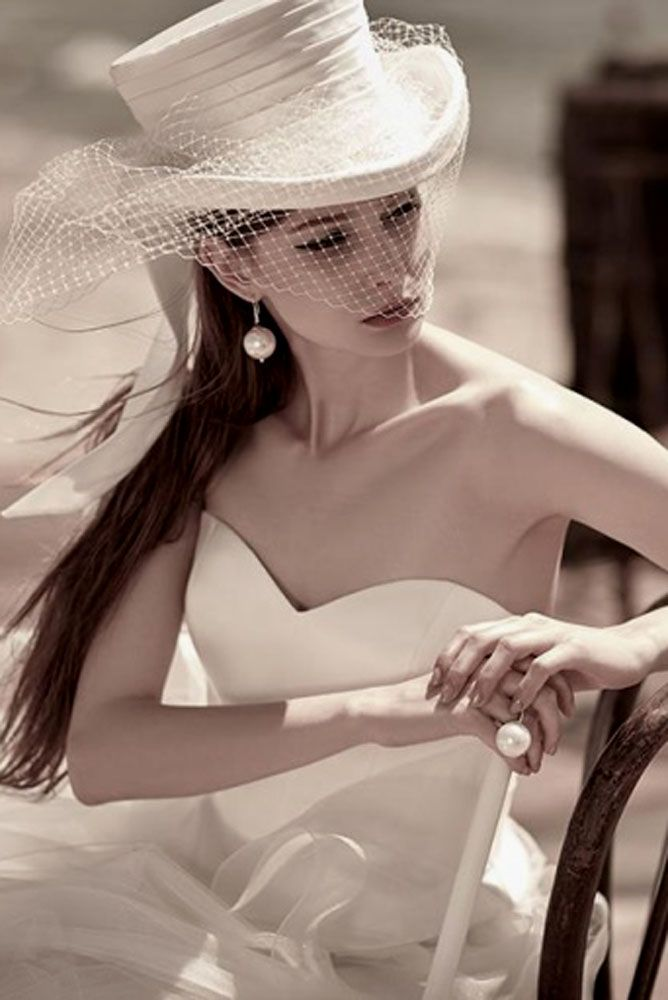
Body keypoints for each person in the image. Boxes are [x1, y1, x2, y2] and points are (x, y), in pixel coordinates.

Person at [0, 0, 665, 997]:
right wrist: (381, 710)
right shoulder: (191, 442)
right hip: (188, 898)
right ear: (233, 264)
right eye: (324, 241)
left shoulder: (511, 429)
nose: (391, 268)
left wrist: (631, 646)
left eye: (400, 208)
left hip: (421, 950)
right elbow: (106, 749)